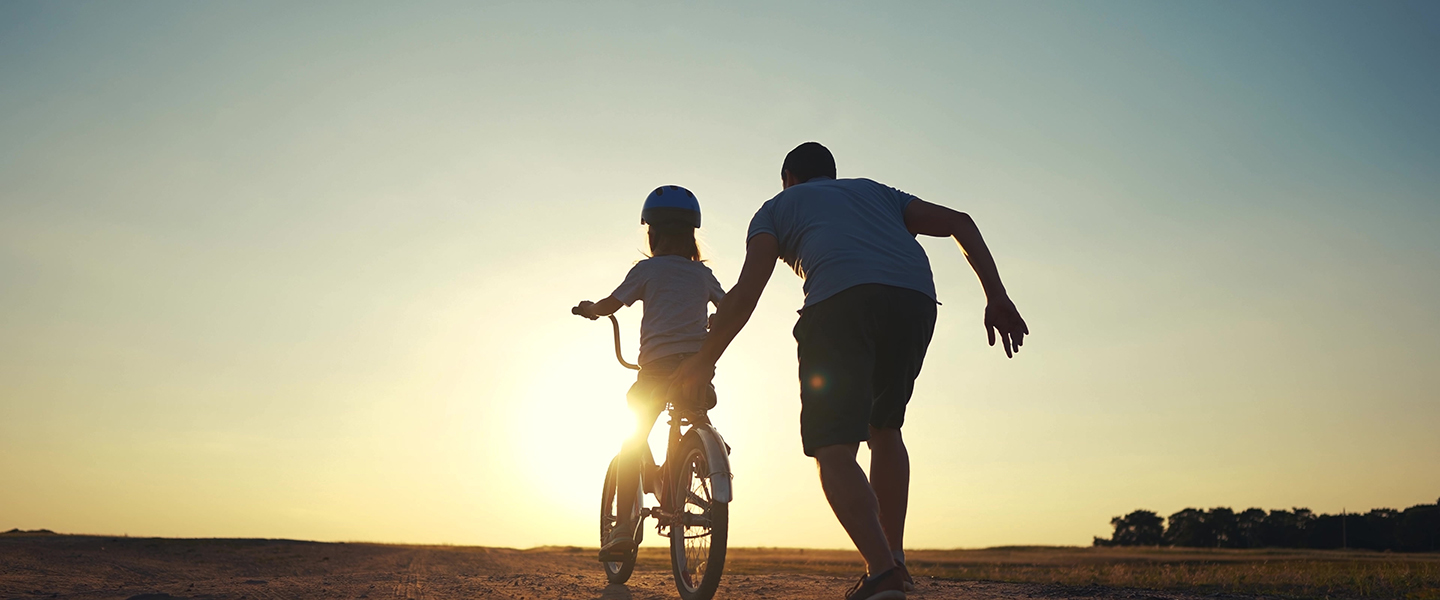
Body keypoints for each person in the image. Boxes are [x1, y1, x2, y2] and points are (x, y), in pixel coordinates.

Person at [671, 142, 1029, 600]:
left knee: (833, 447)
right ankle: (894, 562)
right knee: (886, 428)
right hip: (915, 300)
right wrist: (996, 295)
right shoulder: (878, 193)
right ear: (832, 175)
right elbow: (961, 222)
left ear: (788, 179)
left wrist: (704, 360)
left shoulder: (776, 208)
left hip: (840, 303)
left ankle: (881, 572)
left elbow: (746, 294)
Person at [572, 185, 726, 561]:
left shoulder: (646, 270)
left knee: (633, 439)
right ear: (692, 236)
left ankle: (623, 529)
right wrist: (714, 322)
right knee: (696, 414)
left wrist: (591, 309)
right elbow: (727, 306)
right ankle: (699, 458)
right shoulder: (703, 275)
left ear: (651, 233)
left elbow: (611, 304)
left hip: (656, 372)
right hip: (697, 373)